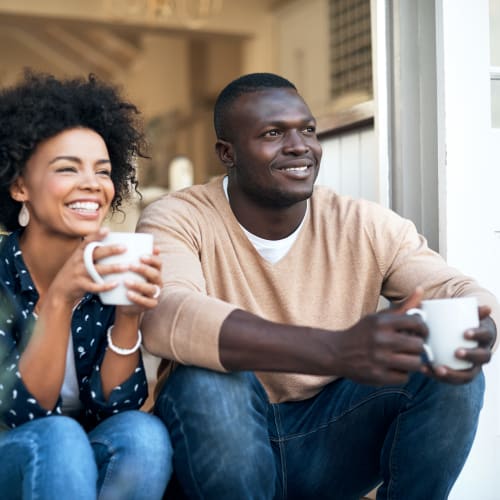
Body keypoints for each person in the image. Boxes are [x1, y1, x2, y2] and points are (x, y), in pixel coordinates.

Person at [137, 72, 499, 500]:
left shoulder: (364, 223)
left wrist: (479, 324)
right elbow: (167, 317)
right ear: (227, 153)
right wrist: (336, 348)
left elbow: (457, 289)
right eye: (273, 133)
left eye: (307, 130)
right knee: (207, 380)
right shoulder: (178, 217)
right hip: (219, 443)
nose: (299, 146)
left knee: (449, 367)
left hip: (328, 441)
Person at [0, 71, 172, 499]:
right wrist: (59, 297)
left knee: (143, 434)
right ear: (20, 185)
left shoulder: (107, 265)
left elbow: (116, 406)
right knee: (58, 437)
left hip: (72, 461)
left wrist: (129, 316)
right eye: (67, 169)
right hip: (13, 453)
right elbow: (24, 414)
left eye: (103, 170)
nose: (92, 184)